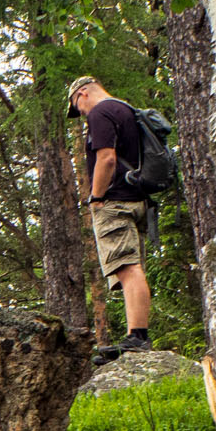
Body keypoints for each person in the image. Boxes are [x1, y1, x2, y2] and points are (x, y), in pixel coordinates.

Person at [67, 75, 153, 363]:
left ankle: (138, 336)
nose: (80, 113)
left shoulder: (101, 112)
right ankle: (135, 335)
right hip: (137, 197)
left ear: (83, 94)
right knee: (131, 267)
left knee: (128, 267)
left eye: (77, 107)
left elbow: (107, 158)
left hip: (115, 201)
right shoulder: (126, 109)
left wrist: (96, 197)